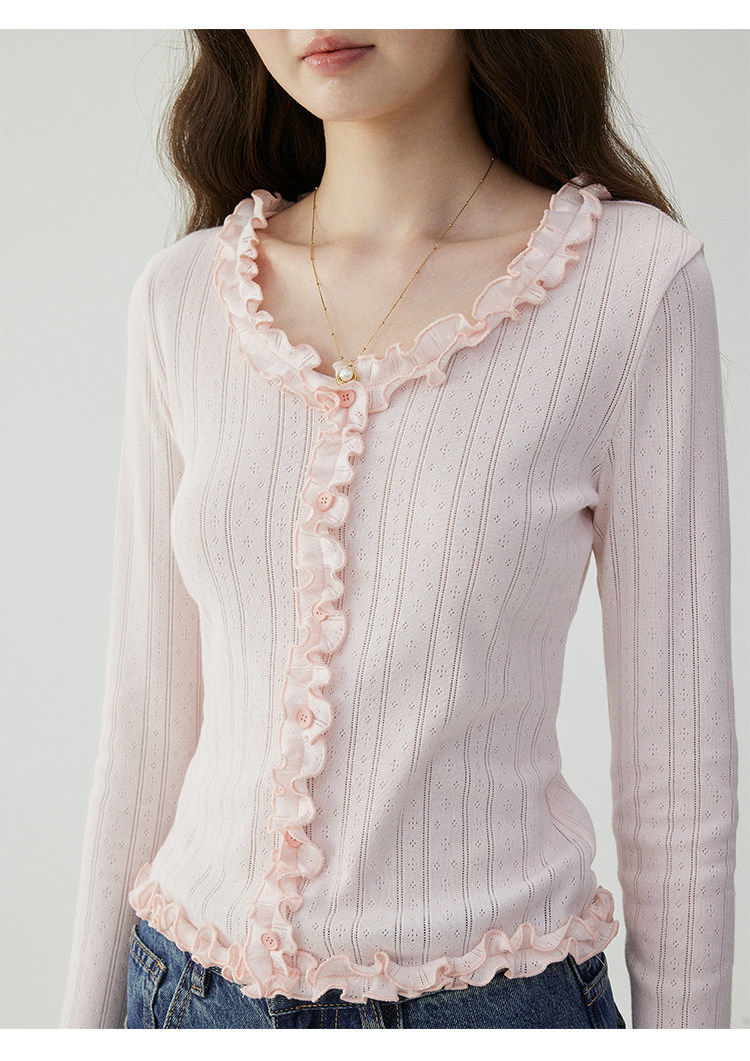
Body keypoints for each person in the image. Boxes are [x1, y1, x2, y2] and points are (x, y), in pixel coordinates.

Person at [60, 29, 737, 1030]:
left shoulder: (633, 285)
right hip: (184, 997)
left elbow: (680, 774)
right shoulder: (181, 297)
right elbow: (143, 731)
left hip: (495, 1007)